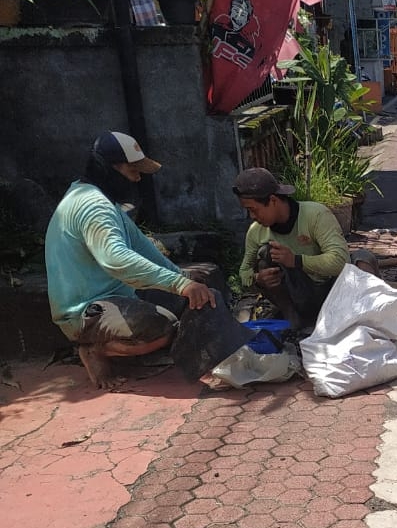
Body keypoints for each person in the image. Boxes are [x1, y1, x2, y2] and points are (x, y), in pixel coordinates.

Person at [44, 132, 216, 389]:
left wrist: (183, 280)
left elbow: (146, 251)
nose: (138, 177)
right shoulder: (94, 206)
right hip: (85, 311)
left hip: (118, 295)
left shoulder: (102, 202)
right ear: (109, 169)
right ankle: (94, 349)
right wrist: (180, 286)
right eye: (133, 170)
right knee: (163, 327)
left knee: (199, 294)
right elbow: (117, 260)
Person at [235, 167, 350, 331]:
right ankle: (293, 318)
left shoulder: (315, 215)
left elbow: (341, 261)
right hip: (299, 295)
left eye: (253, 210)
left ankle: (348, 318)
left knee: (363, 258)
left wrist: (295, 260)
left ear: (273, 200)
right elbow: (244, 271)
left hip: (333, 291)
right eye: (248, 211)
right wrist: (258, 280)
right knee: (265, 255)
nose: (252, 216)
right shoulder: (256, 232)